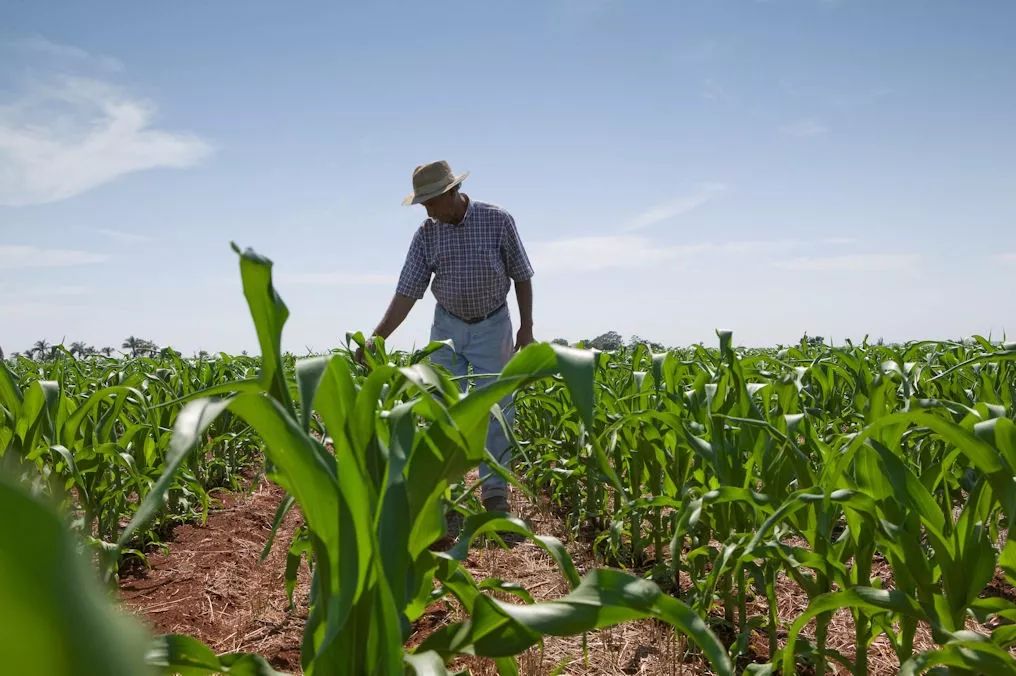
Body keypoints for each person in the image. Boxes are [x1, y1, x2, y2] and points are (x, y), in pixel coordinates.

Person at [357, 160, 535, 513]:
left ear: (451, 192)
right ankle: (443, 492)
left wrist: (526, 326)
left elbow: (522, 274)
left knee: (499, 408)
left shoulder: (497, 220)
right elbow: (407, 291)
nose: (427, 210)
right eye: (423, 204)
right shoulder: (427, 234)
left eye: (431, 202)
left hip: (492, 324)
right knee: (439, 405)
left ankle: (495, 492)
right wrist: (376, 338)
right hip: (447, 327)